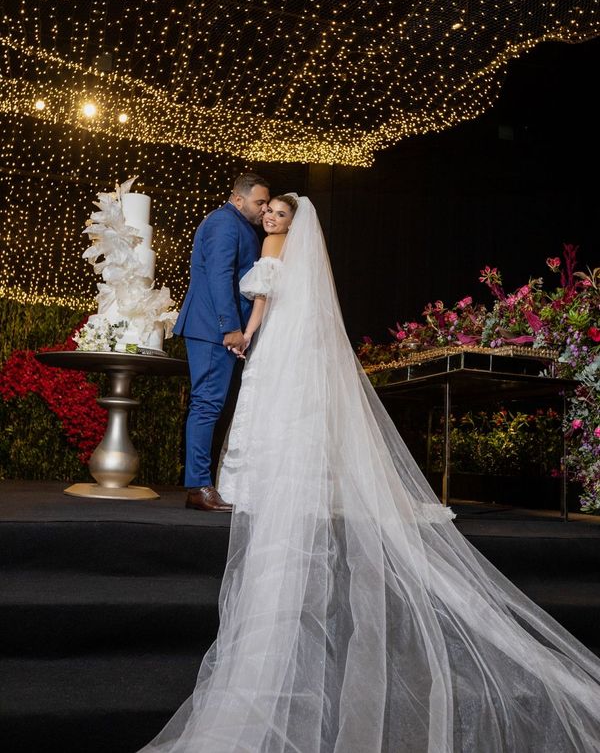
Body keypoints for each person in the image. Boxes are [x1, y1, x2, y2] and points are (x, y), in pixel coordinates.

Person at [140, 195, 600, 752]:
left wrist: (248, 333)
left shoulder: (270, 245)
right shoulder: (302, 253)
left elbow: (260, 297)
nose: (269, 218)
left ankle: (246, 481)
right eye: (267, 211)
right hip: (298, 341)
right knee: (290, 411)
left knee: (258, 408)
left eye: (277, 212)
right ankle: (283, 478)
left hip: (272, 339)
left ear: (289, 221)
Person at [173, 172, 270, 512]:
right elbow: (218, 274)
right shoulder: (224, 223)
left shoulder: (238, 225)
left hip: (213, 327)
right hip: (212, 328)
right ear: (238, 198)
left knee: (210, 405)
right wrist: (229, 327)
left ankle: (200, 485)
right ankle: (198, 487)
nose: (264, 209)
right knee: (207, 405)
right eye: (259, 202)